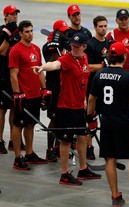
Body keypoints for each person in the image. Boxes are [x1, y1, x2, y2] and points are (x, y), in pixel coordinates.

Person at [87, 42, 129, 207]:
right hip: (125, 123)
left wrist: (90, 117)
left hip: (107, 122)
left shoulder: (99, 75)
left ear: (109, 56)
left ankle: (115, 195)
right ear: (124, 57)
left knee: (110, 158)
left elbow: (92, 99)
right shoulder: (128, 77)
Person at [32, 33, 101, 185]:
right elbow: (55, 65)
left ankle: (83, 168)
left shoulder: (84, 59)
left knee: (83, 137)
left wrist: (83, 100)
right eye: (72, 46)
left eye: (77, 46)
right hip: (66, 107)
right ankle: (64, 173)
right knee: (66, 141)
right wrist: (42, 67)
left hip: (78, 106)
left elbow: (83, 80)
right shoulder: (66, 60)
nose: (74, 49)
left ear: (84, 47)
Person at [9, 20, 48, 170]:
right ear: (20, 33)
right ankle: (18, 157)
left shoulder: (36, 49)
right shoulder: (16, 50)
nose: (30, 34)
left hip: (35, 94)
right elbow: (13, 74)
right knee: (18, 125)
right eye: (27, 31)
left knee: (31, 124)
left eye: (31, 31)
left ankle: (29, 153)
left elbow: (39, 70)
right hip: (22, 96)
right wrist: (17, 94)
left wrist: (44, 89)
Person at [66, 4, 93, 159]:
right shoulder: (67, 33)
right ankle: (60, 146)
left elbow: (86, 57)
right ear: (69, 17)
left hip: (84, 78)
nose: (77, 17)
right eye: (73, 15)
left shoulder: (86, 32)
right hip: (71, 81)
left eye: (78, 14)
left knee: (85, 116)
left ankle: (86, 148)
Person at [42, 20, 70, 162]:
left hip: (66, 86)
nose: (65, 33)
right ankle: (49, 149)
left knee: (64, 118)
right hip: (54, 86)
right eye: (63, 31)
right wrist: (54, 45)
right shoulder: (47, 47)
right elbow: (54, 63)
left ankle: (59, 147)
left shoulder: (67, 45)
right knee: (54, 119)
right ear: (56, 32)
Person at [84, 15, 110, 160]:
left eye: (105, 26)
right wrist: (102, 66)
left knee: (106, 118)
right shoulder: (90, 44)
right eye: (100, 26)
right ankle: (89, 146)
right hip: (92, 86)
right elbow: (86, 66)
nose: (103, 28)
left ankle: (108, 146)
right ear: (95, 27)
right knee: (91, 118)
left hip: (106, 88)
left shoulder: (109, 43)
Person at [0, 5, 25, 153]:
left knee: (16, 107)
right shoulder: (2, 31)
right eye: (12, 14)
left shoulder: (18, 33)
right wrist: (7, 35)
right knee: (2, 109)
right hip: (3, 75)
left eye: (16, 14)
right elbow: (2, 51)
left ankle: (13, 140)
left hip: (16, 75)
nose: (15, 16)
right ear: (5, 16)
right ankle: (0, 139)